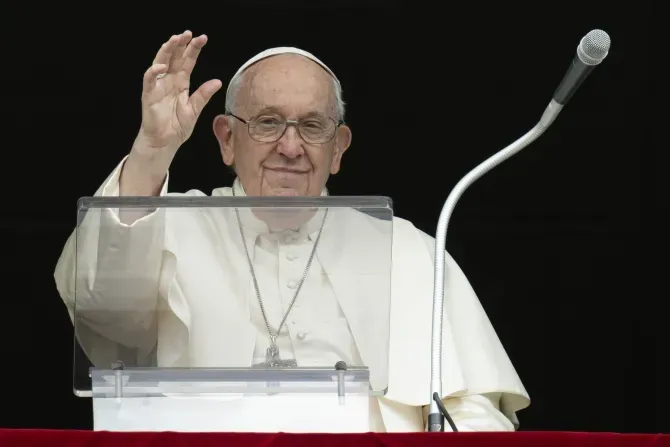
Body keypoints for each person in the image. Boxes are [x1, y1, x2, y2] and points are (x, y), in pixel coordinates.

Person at [54, 30, 530, 432]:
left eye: (312, 126)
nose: (290, 146)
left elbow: (473, 411)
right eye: (267, 123)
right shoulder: (168, 225)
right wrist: (153, 150)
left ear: (338, 148)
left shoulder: (405, 249)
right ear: (225, 139)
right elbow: (105, 314)